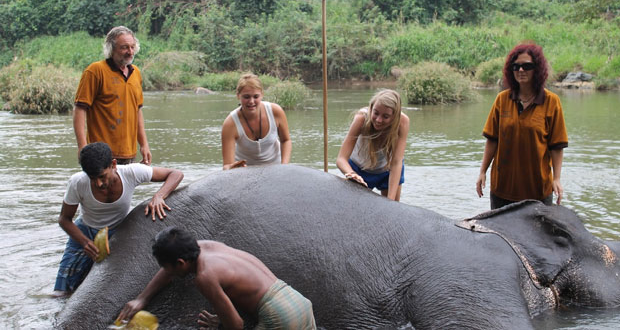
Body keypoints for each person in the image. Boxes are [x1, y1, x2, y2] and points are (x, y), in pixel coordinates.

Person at [116, 226, 317, 329]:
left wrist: (221, 322)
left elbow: (236, 325)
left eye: (169, 268)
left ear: (181, 263)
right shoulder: (207, 246)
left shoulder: (204, 277)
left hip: (279, 316)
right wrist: (142, 298)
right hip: (297, 302)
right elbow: (168, 269)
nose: (169, 273)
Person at [53, 142, 184, 296]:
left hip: (119, 231)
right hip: (85, 231)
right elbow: (64, 219)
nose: (98, 183)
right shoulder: (77, 182)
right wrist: (84, 242)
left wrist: (159, 196)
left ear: (113, 165)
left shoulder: (131, 172)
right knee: (61, 292)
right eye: (92, 178)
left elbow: (176, 174)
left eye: (102, 176)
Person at [476, 42, 568, 209]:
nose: (520, 71)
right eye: (516, 66)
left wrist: (556, 178)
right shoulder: (502, 100)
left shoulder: (551, 102)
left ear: (537, 69)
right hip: (502, 190)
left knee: (538, 235)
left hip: (537, 191)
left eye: (527, 66)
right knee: (499, 235)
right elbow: (492, 139)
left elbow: (556, 146)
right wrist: (482, 171)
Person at [73, 26, 151, 165]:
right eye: (124, 47)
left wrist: (144, 145)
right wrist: (82, 147)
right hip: (100, 155)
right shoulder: (95, 71)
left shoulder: (136, 73)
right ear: (111, 49)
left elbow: (137, 110)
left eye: (132, 47)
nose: (130, 52)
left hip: (129, 154)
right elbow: (80, 109)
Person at [336, 89, 410, 202]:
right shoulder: (361, 118)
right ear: (371, 108)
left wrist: (391, 201)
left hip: (388, 171)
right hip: (359, 169)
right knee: (354, 207)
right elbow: (341, 159)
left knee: (392, 209)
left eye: (385, 116)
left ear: (394, 117)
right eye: (375, 113)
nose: (379, 120)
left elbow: (396, 162)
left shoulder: (402, 122)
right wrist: (351, 174)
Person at [221, 73, 291, 170]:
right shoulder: (230, 123)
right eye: (246, 97)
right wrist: (231, 167)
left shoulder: (276, 111)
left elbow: (286, 140)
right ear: (238, 96)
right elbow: (227, 166)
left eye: (256, 96)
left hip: (276, 168)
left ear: (262, 94)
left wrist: (284, 166)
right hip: (245, 171)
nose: (251, 101)